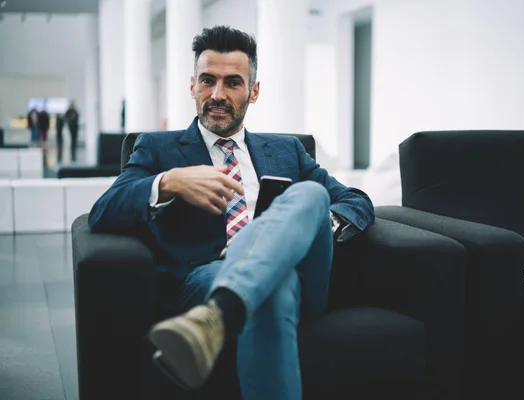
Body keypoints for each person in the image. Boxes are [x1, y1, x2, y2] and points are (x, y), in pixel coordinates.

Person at [88, 25, 374, 400]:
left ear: (253, 92)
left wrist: (300, 227)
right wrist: (169, 181)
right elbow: (102, 211)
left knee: (311, 197)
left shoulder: (287, 150)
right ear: (192, 86)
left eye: (233, 83)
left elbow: (356, 200)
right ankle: (229, 303)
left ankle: (217, 316)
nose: (217, 95)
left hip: (304, 272)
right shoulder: (159, 149)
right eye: (207, 81)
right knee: (274, 289)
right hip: (210, 274)